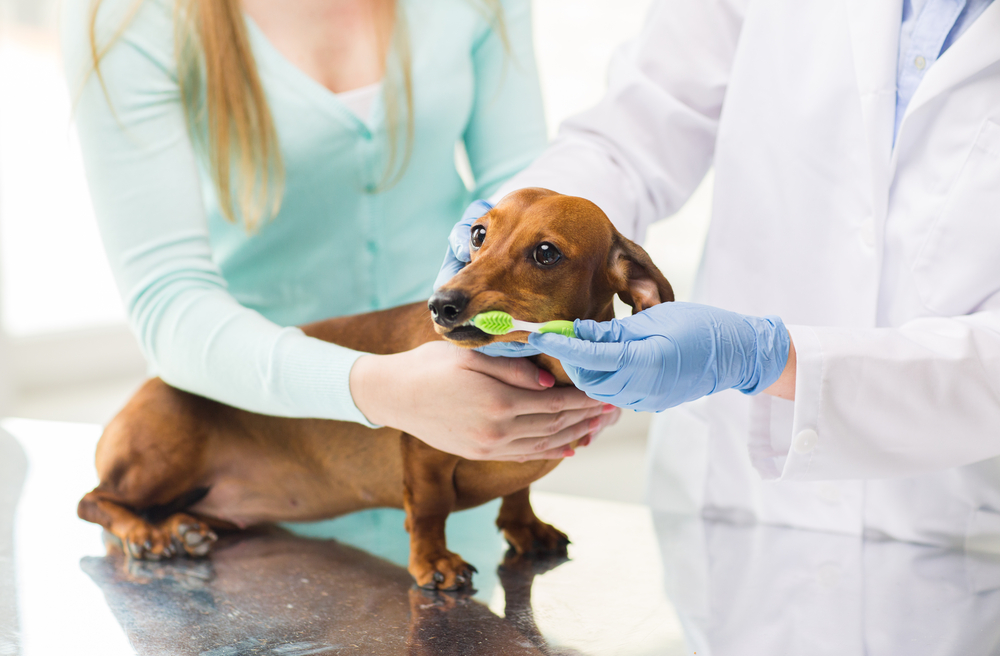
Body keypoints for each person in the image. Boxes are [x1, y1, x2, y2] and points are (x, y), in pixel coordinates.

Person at [438, 0, 1000, 548]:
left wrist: (761, 357)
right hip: (726, 498)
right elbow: (636, 129)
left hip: (945, 520)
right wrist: (513, 232)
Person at [62, 0, 618, 460]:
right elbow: (168, 303)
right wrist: (382, 390)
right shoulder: (130, 17)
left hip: (465, 450)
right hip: (253, 452)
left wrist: (581, 350)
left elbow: (524, 194)